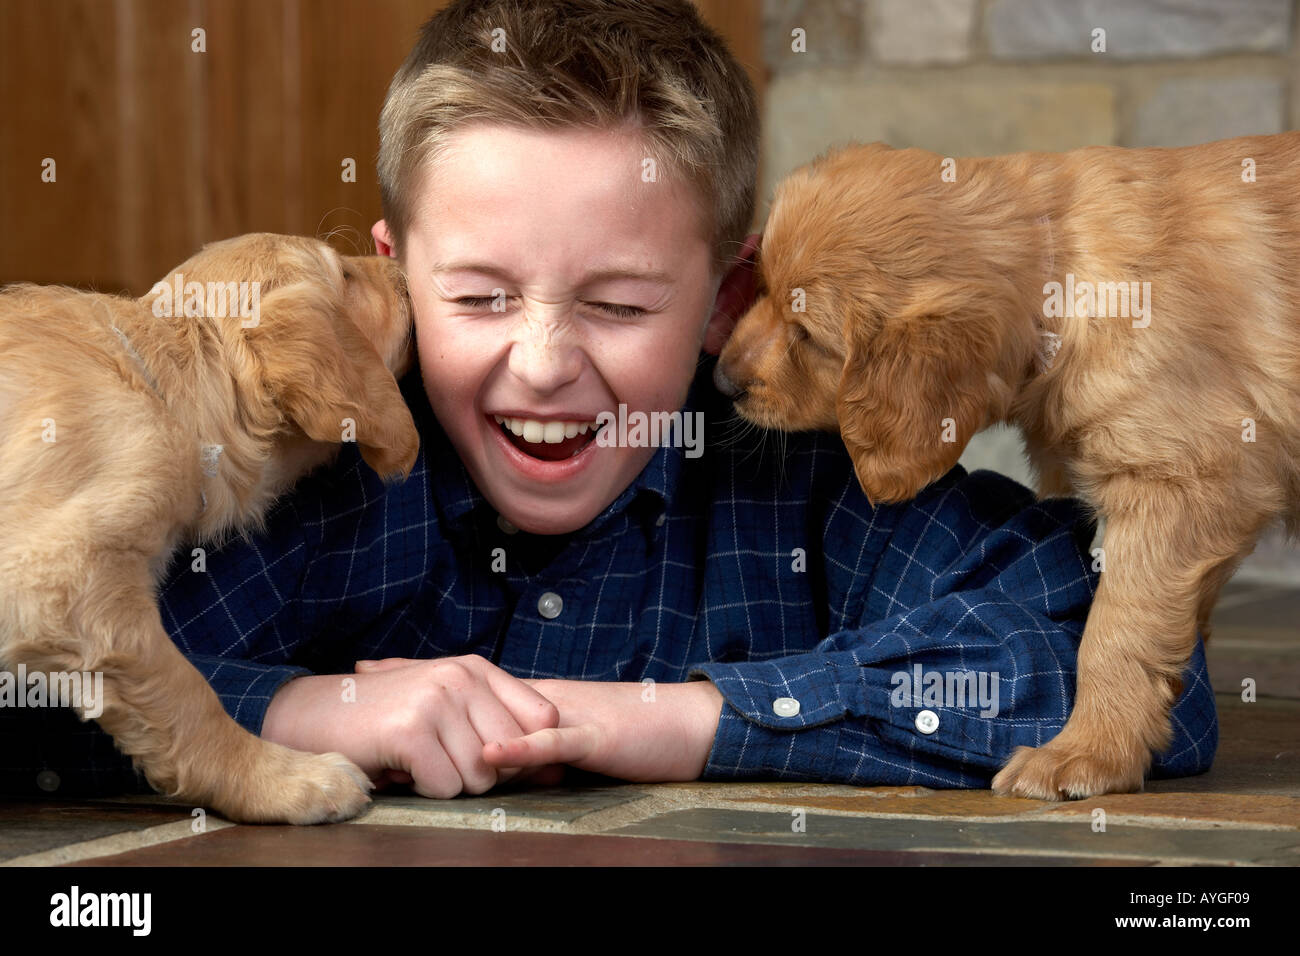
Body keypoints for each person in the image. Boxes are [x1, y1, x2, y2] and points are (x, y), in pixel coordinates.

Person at [2, 0, 1215, 802]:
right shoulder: (300, 459)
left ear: (726, 295)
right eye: (476, 298)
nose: (540, 365)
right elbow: (30, 666)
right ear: (392, 270)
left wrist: (673, 718)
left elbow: (1113, 663)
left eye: (621, 305)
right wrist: (301, 713)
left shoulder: (798, 480)